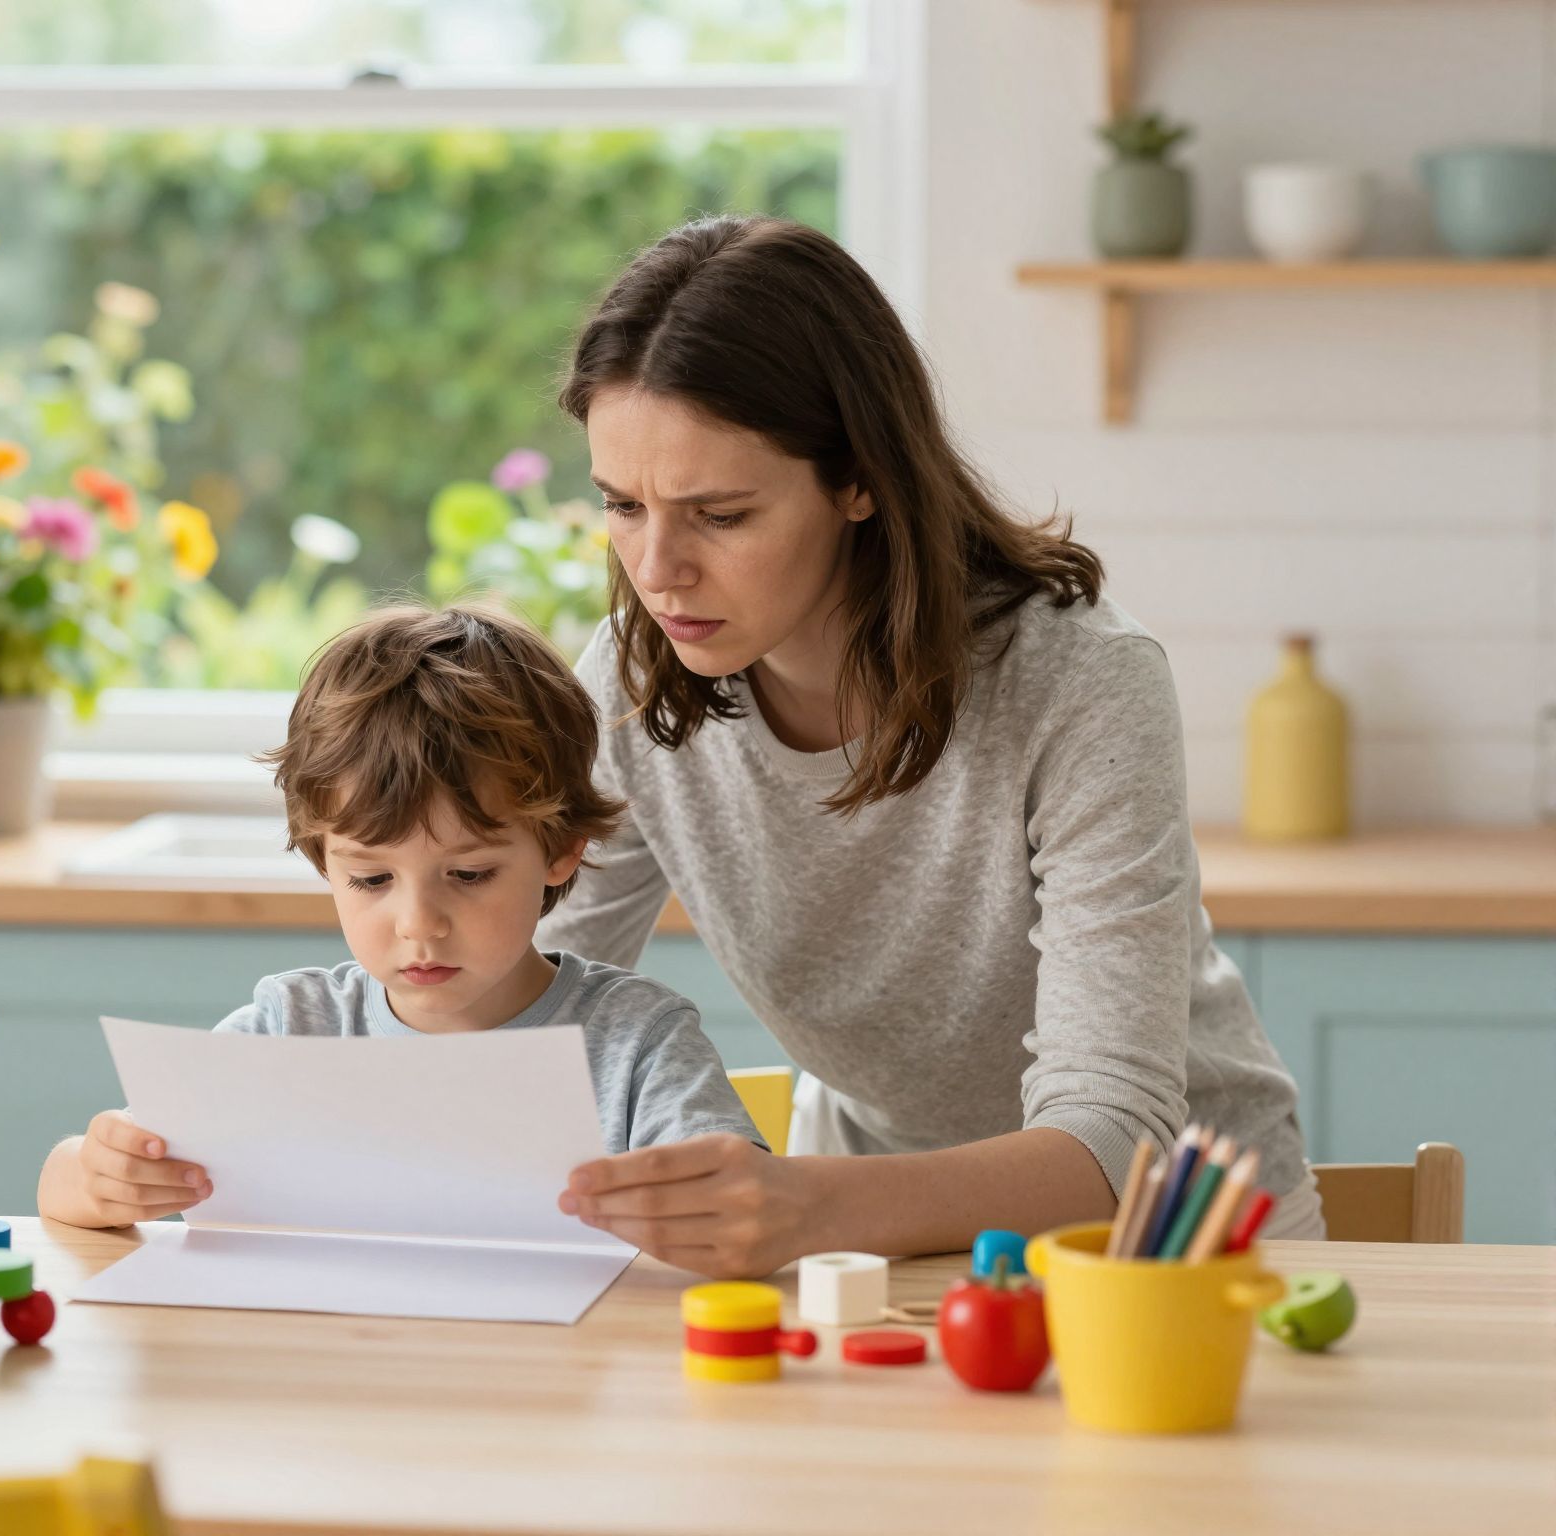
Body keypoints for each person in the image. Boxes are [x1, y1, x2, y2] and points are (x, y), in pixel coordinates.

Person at [533, 214, 1326, 1279]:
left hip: (1169, 1249)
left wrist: (802, 1207)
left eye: (717, 514)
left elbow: (1114, 1133)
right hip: (875, 1248)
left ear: (856, 478)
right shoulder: (632, 686)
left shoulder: (1079, 680)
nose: (657, 568)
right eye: (621, 507)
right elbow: (522, 1007)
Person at [38, 603, 760, 1230]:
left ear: (561, 851)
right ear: (325, 861)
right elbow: (66, 1187)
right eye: (372, 877)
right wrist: (99, 1173)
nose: (419, 924)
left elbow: (744, 1205)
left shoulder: (637, 1043)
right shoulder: (290, 1030)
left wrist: (692, 1208)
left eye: (469, 875)